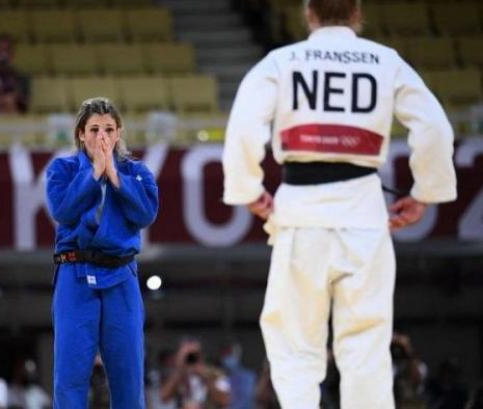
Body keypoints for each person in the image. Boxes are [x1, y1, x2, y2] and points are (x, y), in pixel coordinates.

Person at [221, 0, 457, 407]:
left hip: (301, 212)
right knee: (366, 346)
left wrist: (249, 189)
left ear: (309, 12)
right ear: (358, 12)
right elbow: (435, 127)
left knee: (295, 345)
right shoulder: (384, 61)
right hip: (363, 213)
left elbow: (243, 126)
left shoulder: (283, 61)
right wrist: (424, 195)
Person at [45, 97, 159, 409]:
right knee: (70, 377)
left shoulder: (136, 173)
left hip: (121, 277)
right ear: (81, 134)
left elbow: (146, 213)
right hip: (75, 276)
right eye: (94, 129)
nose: (102, 137)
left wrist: (115, 177)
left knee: (128, 376)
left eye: (109, 129)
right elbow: (64, 210)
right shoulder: (63, 170)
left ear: (119, 132)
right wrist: (94, 172)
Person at [158, 338, 231, 409]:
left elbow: (224, 400)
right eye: (187, 355)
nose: (191, 358)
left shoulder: (216, 373)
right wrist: (180, 371)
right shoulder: (175, 374)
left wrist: (204, 376)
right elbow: (164, 398)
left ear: (201, 355)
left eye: (194, 354)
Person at [219, 341, 257, 409]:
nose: (226, 358)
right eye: (224, 355)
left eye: (229, 354)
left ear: (236, 355)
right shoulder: (222, 377)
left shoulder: (249, 376)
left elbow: (254, 396)